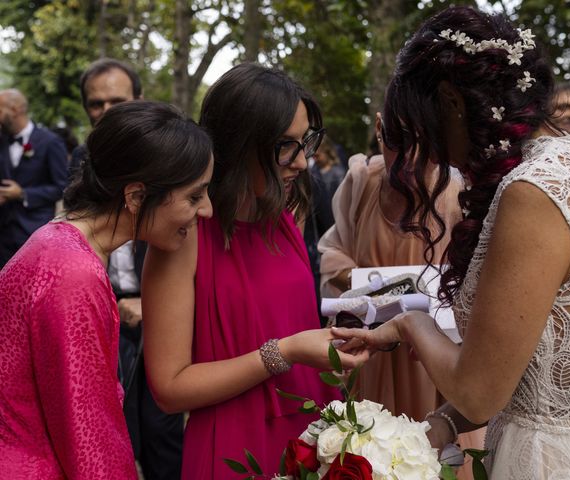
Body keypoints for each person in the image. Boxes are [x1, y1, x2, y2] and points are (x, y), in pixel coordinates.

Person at [333, 6, 570, 478]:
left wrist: (413, 323)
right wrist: (437, 426)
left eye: (426, 125)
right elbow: (536, 366)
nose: (432, 151)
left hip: (548, 462)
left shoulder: (533, 193)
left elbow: (479, 391)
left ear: (453, 103)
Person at [142, 63, 361, 479]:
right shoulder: (185, 236)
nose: (302, 162)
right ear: (239, 143)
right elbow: (169, 390)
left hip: (313, 436)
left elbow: (296, 327)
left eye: (305, 142)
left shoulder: (283, 217)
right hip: (235, 447)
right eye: (285, 146)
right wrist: (287, 351)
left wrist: (336, 352)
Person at [0, 100, 214, 479]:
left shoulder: (59, 244)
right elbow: (89, 441)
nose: (207, 210)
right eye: (194, 196)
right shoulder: (74, 274)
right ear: (135, 197)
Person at [317, 113, 483, 479]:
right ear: (378, 129)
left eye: (424, 142)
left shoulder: (458, 189)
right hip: (373, 351)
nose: (410, 156)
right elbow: (333, 252)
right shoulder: (361, 180)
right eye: (398, 141)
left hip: (434, 354)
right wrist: (367, 284)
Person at [73, 57, 184, 480]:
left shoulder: (167, 159)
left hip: (158, 308)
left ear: (138, 99)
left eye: (115, 101)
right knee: (113, 423)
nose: (104, 111)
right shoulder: (82, 160)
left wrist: (150, 302)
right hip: (107, 307)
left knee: (163, 430)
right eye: (95, 103)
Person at [0, 89, 68, 268]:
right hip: (3, 236)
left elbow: (61, 187)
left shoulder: (50, 142)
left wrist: (23, 194)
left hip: (34, 234)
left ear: (15, 110)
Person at [310, 134, 346, 199]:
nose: (314, 159)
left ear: (327, 152)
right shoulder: (313, 170)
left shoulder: (338, 173)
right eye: (313, 156)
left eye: (317, 156)